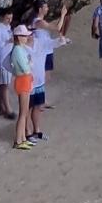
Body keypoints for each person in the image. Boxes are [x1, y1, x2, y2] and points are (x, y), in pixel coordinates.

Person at [27, 12, 66, 142]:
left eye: (32, 32)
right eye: (29, 32)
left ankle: (37, 130)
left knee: (38, 107)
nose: (31, 35)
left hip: (39, 82)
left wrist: (61, 40)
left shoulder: (40, 43)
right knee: (28, 108)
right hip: (29, 83)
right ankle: (27, 133)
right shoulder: (22, 48)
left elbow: (53, 44)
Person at [10, 24, 35, 150]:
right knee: (23, 112)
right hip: (23, 80)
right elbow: (25, 69)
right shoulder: (18, 50)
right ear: (19, 37)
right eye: (24, 36)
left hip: (23, 80)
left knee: (24, 112)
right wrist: (30, 63)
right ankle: (18, 140)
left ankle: (22, 138)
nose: (27, 38)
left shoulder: (19, 49)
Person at [0, 7, 15, 118]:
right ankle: (8, 109)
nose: (9, 20)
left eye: (10, 18)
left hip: (7, 58)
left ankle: (2, 107)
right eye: (7, 18)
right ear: (1, 17)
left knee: (3, 84)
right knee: (5, 85)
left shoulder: (7, 27)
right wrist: (8, 41)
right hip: (2, 59)